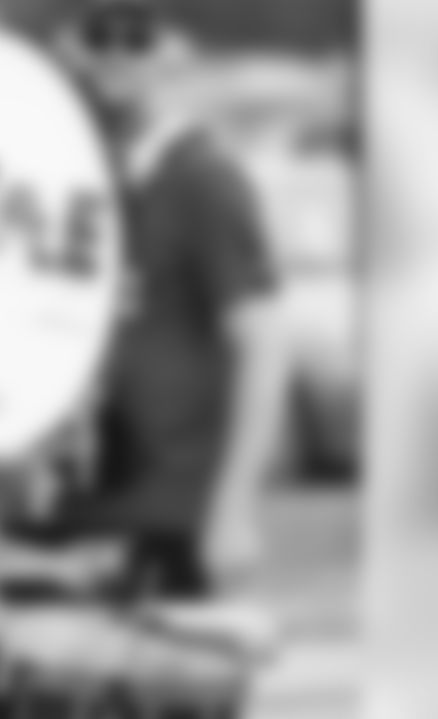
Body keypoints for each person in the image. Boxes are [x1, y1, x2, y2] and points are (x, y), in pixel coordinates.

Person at [55, 0, 290, 602]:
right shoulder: (84, 175)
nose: (116, 52)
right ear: (70, 47)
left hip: (177, 516)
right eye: (99, 34)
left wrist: (235, 509)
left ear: (175, 53)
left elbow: (262, 346)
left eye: (138, 36)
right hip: (93, 510)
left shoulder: (204, 178)